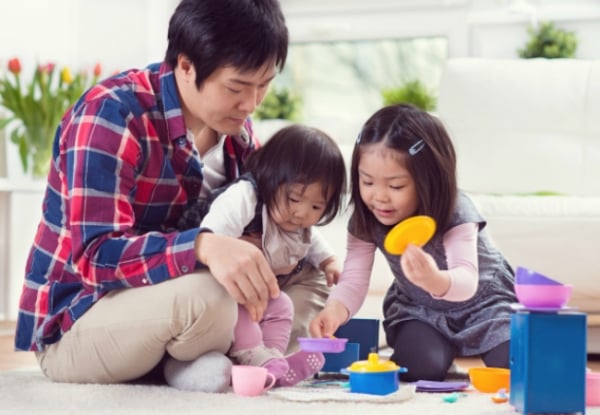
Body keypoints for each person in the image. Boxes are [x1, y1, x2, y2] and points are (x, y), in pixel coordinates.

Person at [13, 0, 311, 393]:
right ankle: (198, 361)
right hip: (81, 319)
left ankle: (206, 363)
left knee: (306, 281)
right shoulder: (111, 114)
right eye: (237, 87)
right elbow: (96, 256)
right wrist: (203, 248)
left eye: (265, 84)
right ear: (185, 67)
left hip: (171, 311)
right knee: (209, 299)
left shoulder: (238, 136)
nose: (251, 104)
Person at [310, 104, 517, 382]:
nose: (379, 197)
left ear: (428, 180)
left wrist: (434, 280)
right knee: (418, 368)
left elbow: (467, 280)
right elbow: (354, 280)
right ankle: (439, 351)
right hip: (421, 309)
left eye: (395, 186)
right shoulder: (366, 219)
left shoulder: (457, 211)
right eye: (367, 181)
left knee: (517, 364)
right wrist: (334, 310)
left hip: (485, 305)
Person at [180, 124, 346, 388]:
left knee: (282, 307)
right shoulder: (246, 197)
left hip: (259, 287)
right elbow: (212, 237)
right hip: (220, 282)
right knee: (241, 309)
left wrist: (329, 261)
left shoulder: (298, 221)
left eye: (316, 206)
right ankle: (252, 353)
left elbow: (311, 239)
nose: (302, 213)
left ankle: (272, 360)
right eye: (294, 199)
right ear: (271, 177)